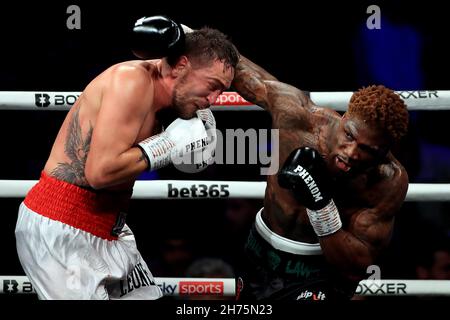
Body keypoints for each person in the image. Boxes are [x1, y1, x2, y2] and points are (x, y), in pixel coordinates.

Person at [14, 15, 239, 300]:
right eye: (212, 85)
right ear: (181, 65)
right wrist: (168, 144)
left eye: (221, 91)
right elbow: (100, 173)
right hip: (61, 227)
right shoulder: (131, 81)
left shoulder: (169, 100)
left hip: (109, 228)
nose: (214, 99)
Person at [232, 55, 409, 300]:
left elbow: (355, 267)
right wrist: (183, 33)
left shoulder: (388, 181)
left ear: (385, 151)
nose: (351, 153)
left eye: (368, 150)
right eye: (350, 135)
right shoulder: (299, 118)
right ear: (345, 118)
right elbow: (236, 66)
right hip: (259, 250)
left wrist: (321, 205)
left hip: (319, 270)